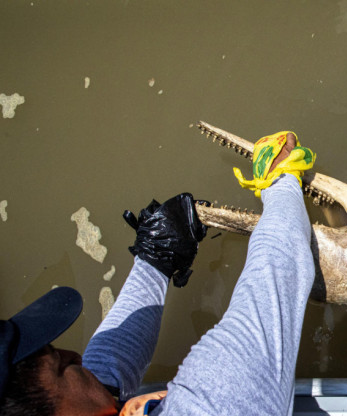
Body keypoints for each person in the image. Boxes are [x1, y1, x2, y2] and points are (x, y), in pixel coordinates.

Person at [0, 132, 317, 415]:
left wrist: (156, 259)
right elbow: (278, 275)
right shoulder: (210, 406)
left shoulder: (82, 402)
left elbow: (105, 371)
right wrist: (282, 180)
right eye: (60, 366)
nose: (75, 356)